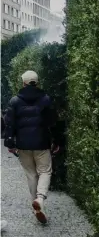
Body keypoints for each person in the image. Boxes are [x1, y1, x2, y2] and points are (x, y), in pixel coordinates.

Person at [4, 70, 59, 224]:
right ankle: (40, 199)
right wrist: (57, 141)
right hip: (42, 143)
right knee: (45, 171)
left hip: (23, 144)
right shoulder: (46, 99)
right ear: (37, 82)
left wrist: (9, 143)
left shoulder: (14, 101)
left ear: (23, 83)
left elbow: (10, 124)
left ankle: (36, 205)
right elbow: (53, 122)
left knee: (31, 174)